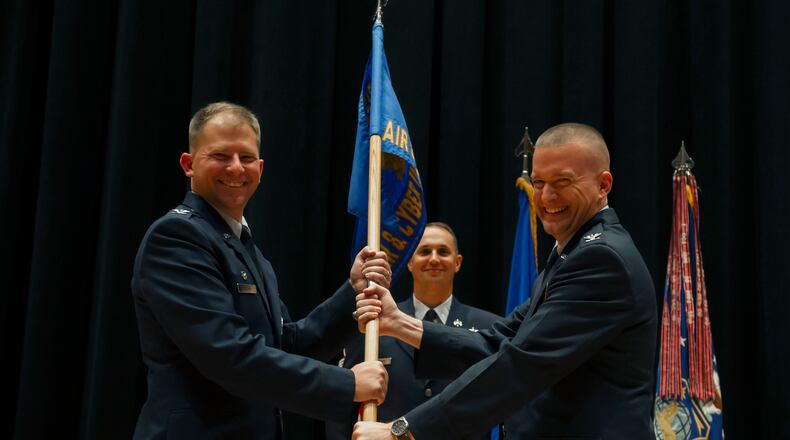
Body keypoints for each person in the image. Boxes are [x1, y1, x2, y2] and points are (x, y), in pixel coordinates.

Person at [353, 123, 657, 439]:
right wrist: (400, 323)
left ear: (603, 184)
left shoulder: (600, 259)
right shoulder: (572, 254)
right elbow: (497, 343)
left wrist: (402, 432)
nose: (546, 196)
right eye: (539, 182)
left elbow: (520, 364)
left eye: (562, 182)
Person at [131, 102, 390, 439]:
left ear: (261, 167)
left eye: (247, 157)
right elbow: (229, 356)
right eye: (221, 156)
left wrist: (354, 292)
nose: (236, 168)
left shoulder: (244, 247)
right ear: (189, 164)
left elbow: (285, 345)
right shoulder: (177, 237)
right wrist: (347, 384)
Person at [325, 222, 503, 440]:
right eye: (425, 251)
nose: (434, 259)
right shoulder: (373, 322)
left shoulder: (488, 328)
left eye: (443, 252)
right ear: (410, 261)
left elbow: (507, 401)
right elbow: (343, 403)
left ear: (457, 262)